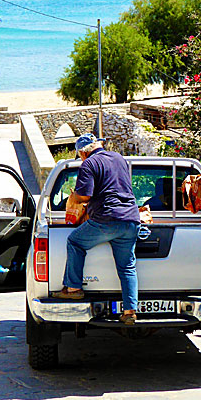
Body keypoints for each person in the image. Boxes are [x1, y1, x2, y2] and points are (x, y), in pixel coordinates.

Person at [53, 133, 141, 325]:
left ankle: (73, 289)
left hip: (106, 219)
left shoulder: (89, 164)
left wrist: (74, 197)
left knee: (75, 241)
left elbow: (84, 196)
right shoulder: (118, 158)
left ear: (83, 153)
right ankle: (129, 311)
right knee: (127, 266)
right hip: (131, 219)